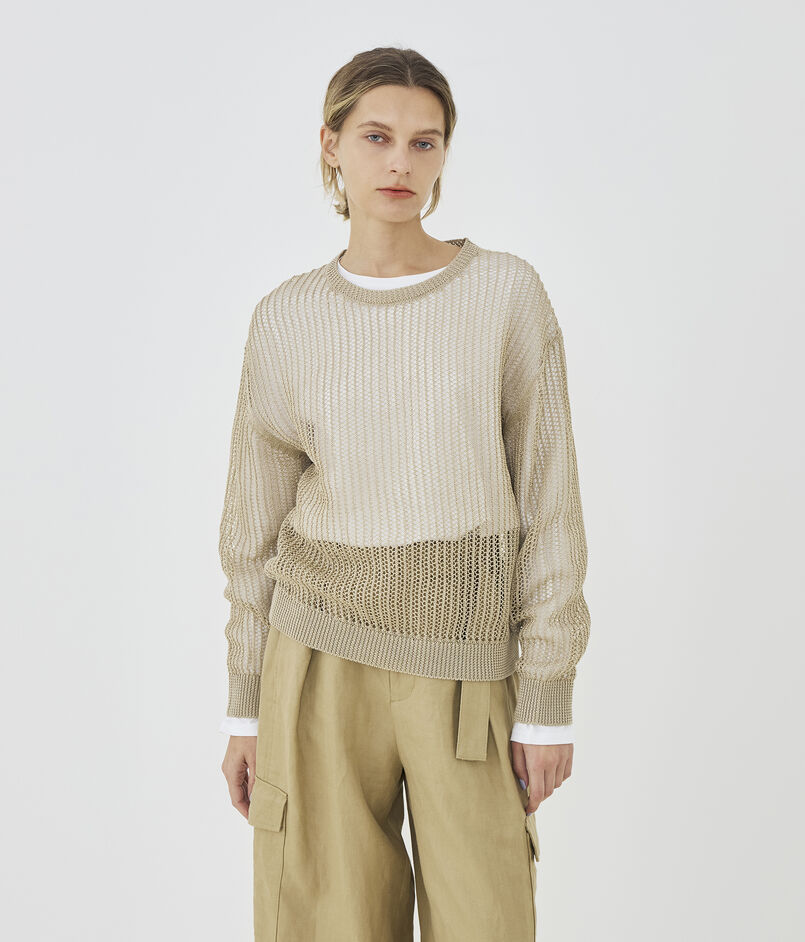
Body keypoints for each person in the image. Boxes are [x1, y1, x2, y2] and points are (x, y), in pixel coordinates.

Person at [218, 46, 591, 942]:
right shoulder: (287, 317)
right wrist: (244, 705)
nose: (400, 163)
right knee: (323, 922)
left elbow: (549, 501)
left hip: (466, 665)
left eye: (425, 143)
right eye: (376, 137)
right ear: (331, 145)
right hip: (314, 662)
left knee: (485, 919)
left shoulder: (503, 294)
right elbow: (251, 526)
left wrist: (546, 700)